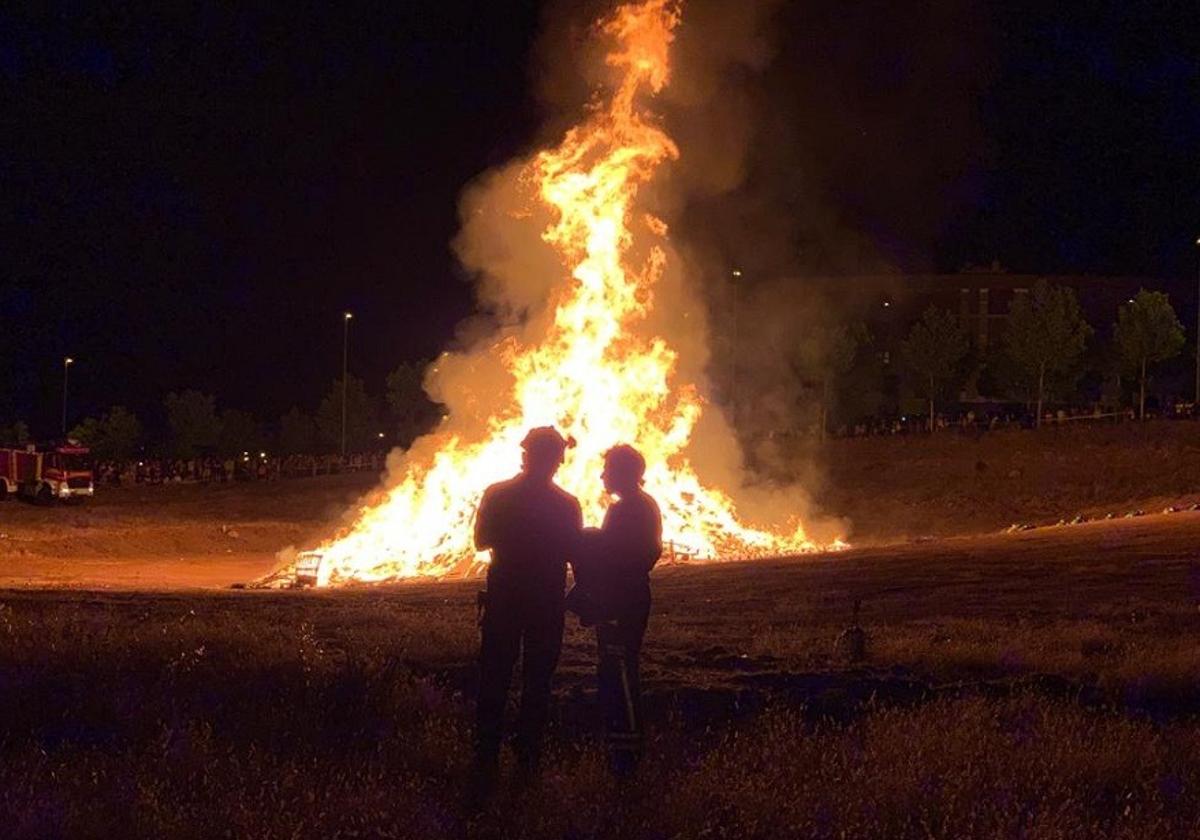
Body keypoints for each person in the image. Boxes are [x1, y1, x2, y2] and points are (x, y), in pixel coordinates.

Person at [472, 426, 583, 793]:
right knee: (538, 681)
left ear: (525, 454)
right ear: (557, 461)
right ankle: (527, 757)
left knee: (495, 676)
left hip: (505, 596)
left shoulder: (497, 494)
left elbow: (480, 540)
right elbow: (574, 554)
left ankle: (485, 756)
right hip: (545, 601)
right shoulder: (567, 504)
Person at [571, 444, 662, 775]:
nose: (602, 475)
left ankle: (627, 754)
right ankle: (622, 744)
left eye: (608, 469)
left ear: (624, 473)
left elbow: (620, 555)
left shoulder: (628, 510)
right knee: (615, 668)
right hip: (628, 595)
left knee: (620, 671)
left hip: (622, 600)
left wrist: (586, 547)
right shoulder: (638, 506)